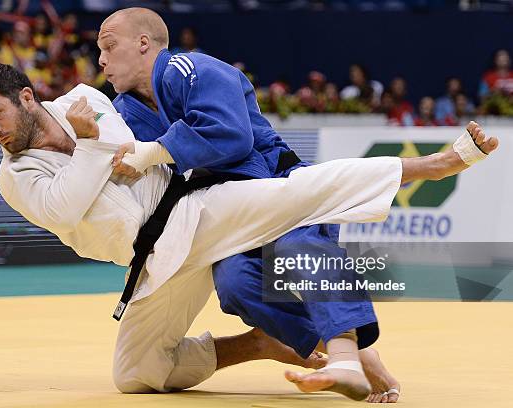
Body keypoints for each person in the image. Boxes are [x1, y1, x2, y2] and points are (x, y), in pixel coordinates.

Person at [0, 63, 497, 401]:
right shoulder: (14, 177)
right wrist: (88, 145)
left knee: (297, 193)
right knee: (135, 374)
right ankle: (261, 343)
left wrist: (91, 138)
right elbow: (65, 206)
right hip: (153, 262)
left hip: (195, 213)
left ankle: (433, 163)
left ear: (27, 97)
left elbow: (139, 155)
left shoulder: (92, 102)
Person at [101, 7, 396, 401]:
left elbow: (231, 136)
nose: (101, 59)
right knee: (236, 287)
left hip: (275, 184)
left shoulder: (189, 69)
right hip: (224, 212)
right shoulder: (123, 112)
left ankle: (347, 353)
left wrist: (154, 151)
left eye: (108, 45)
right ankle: (344, 353)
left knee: (298, 250)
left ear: (143, 44)